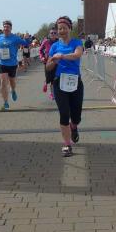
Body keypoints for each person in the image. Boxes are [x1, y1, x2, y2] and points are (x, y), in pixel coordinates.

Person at [46, 16, 84, 157]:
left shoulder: (77, 42)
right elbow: (48, 66)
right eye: (59, 28)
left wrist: (61, 56)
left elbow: (77, 55)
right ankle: (67, 145)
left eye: (64, 28)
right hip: (59, 82)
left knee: (76, 115)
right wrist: (54, 61)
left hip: (75, 82)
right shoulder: (54, 46)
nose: (61, 31)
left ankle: (74, 126)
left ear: (69, 28)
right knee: (64, 113)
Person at [0, 20, 31, 110]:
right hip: (2, 63)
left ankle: (13, 90)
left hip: (12, 64)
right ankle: (5, 102)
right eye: (4, 27)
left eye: (8, 27)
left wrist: (27, 38)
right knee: (3, 82)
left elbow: (26, 43)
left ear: (11, 28)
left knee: (12, 81)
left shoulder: (15, 38)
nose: (6, 28)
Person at [38, 27, 58, 100]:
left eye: (55, 33)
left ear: (57, 34)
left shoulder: (59, 42)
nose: (53, 34)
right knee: (48, 77)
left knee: (54, 78)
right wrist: (42, 57)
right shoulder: (46, 41)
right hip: (47, 62)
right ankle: (46, 82)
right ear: (49, 34)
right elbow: (40, 50)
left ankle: (52, 94)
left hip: (56, 62)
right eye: (51, 33)